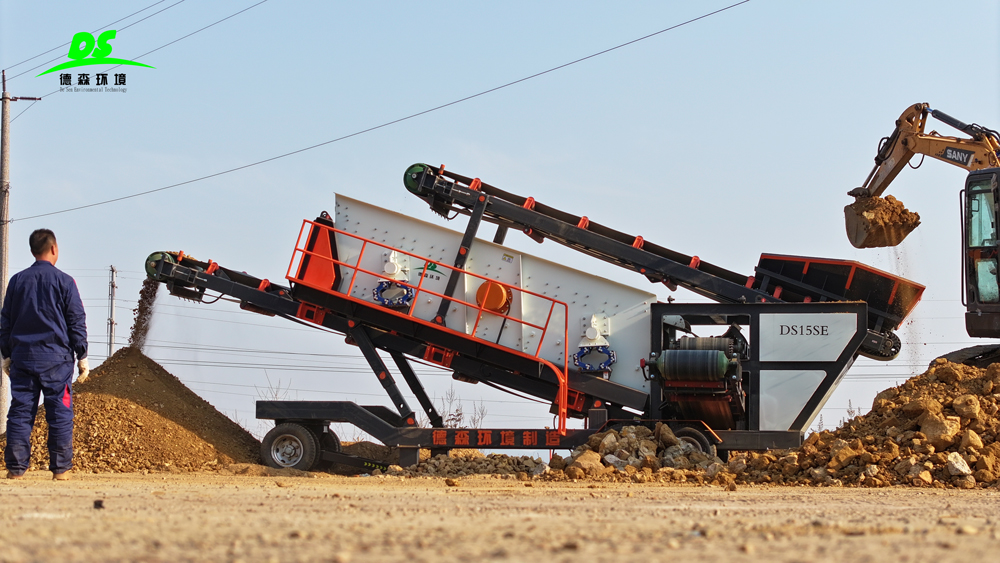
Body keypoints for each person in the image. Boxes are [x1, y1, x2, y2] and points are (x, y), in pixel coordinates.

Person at [1, 229, 88, 480]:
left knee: (20, 413)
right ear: (54, 249)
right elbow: (76, 320)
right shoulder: (65, 282)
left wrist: (6, 355)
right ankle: (61, 471)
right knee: (59, 413)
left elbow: (5, 321)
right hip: (57, 362)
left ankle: (15, 470)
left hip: (23, 359)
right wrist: (82, 355)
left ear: (32, 251)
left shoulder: (17, 281)